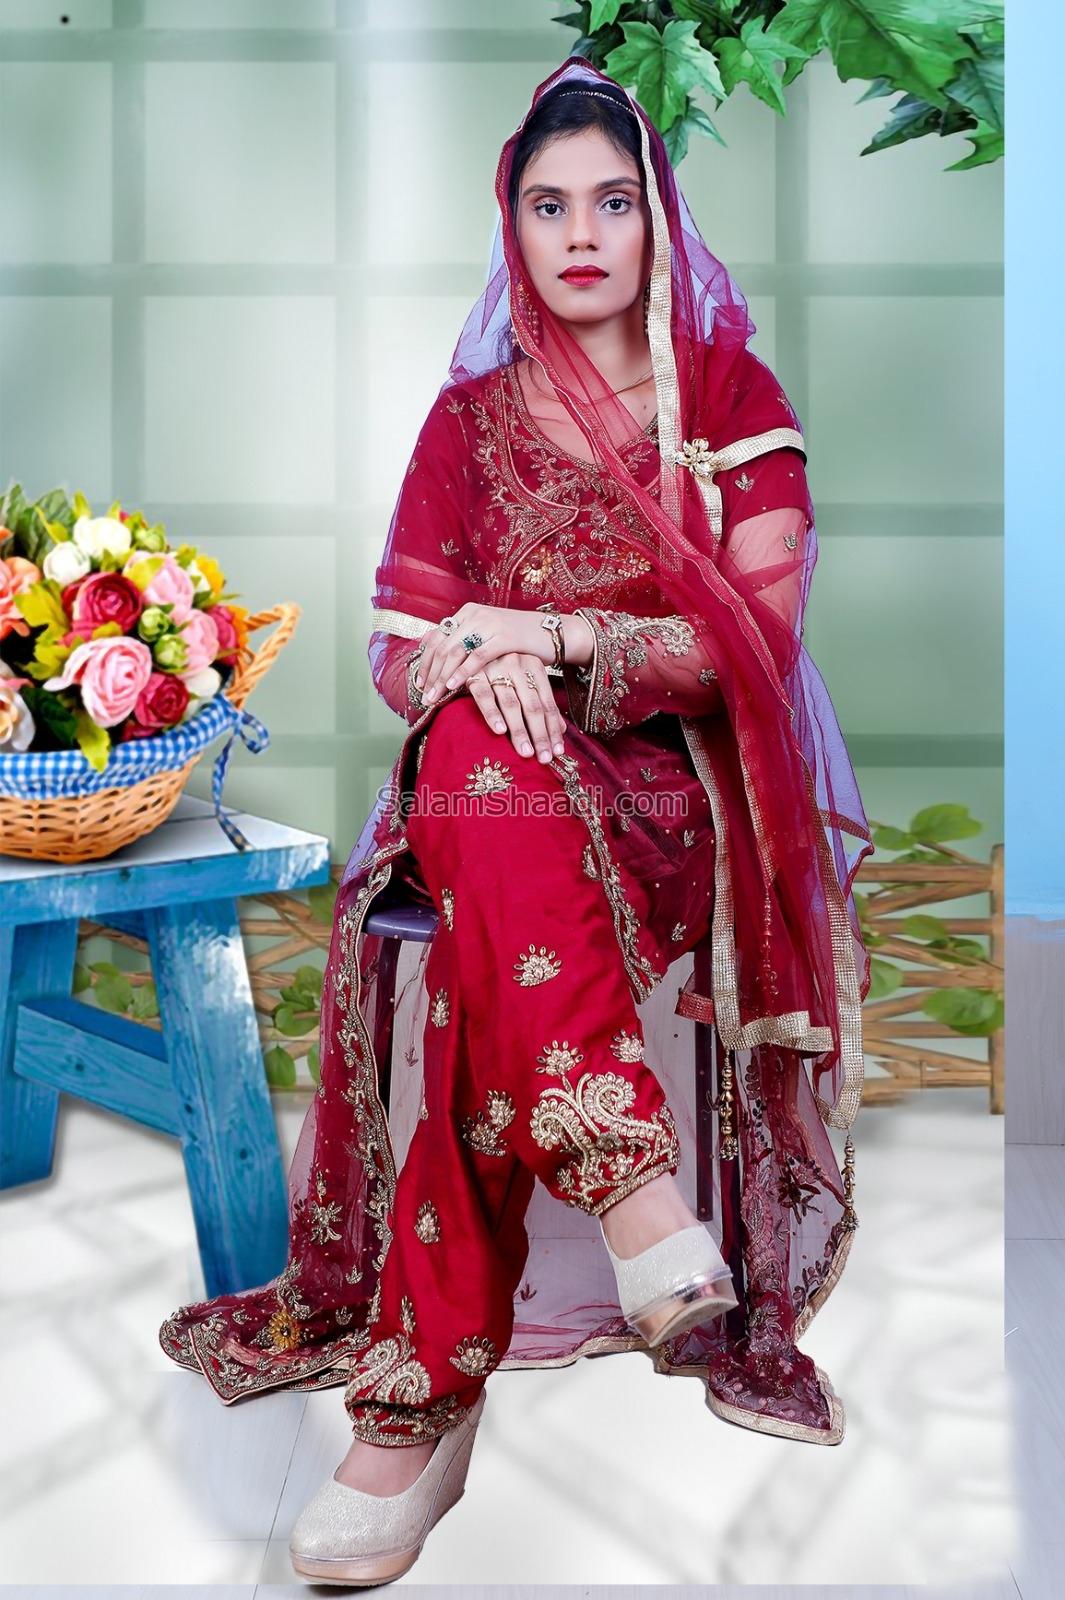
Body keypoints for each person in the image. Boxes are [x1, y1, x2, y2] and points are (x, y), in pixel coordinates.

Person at [158, 57, 872, 1586]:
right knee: (481, 750)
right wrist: (475, 662)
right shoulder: (468, 420)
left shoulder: (729, 398)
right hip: (497, 790)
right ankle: (632, 1191)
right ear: (513, 225)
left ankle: (420, 1403)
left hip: (677, 791)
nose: (582, 234)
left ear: (656, 219)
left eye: (611, 202)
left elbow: (751, 648)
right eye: (549, 206)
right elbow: (397, 650)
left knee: (487, 899)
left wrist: (541, 639)